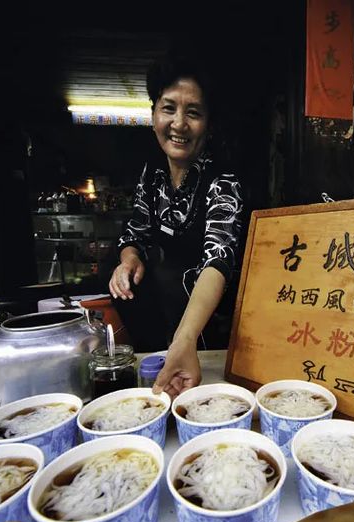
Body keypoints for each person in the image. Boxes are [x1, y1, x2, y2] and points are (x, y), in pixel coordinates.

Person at [108, 50, 245, 399]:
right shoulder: (151, 173)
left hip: (211, 318)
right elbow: (134, 232)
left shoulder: (223, 179)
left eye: (193, 113)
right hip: (165, 313)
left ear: (209, 124)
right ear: (153, 113)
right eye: (168, 108)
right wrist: (129, 259)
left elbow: (219, 259)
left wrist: (183, 342)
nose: (179, 124)